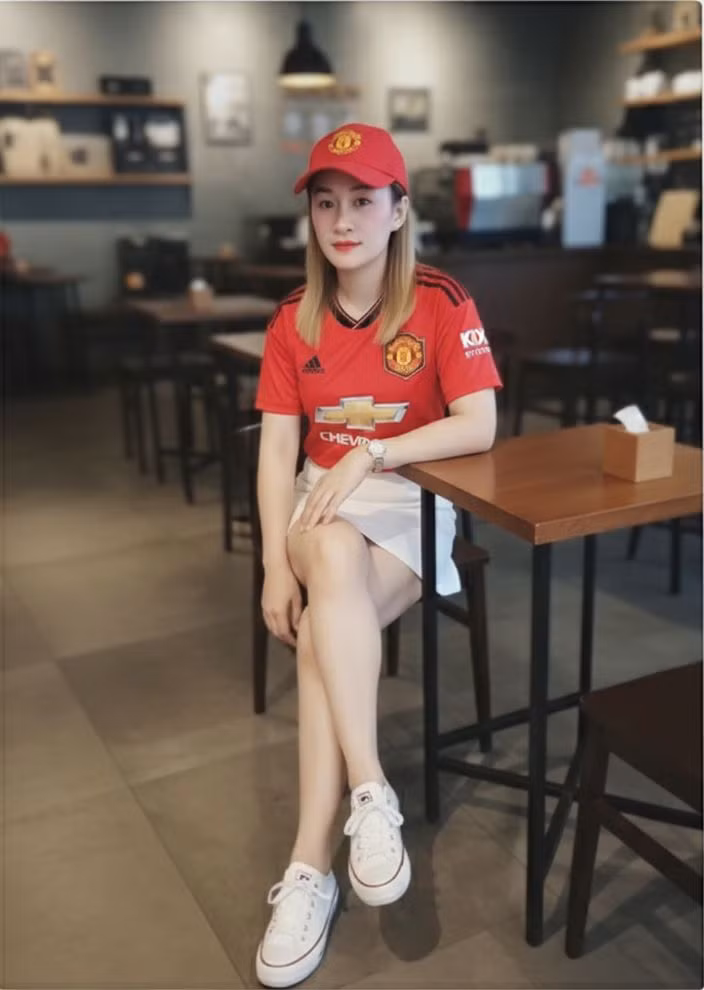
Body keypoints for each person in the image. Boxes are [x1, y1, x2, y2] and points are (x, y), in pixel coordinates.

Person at [253, 122, 501, 988]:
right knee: (325, 558)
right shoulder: (293, 317)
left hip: (409, 498)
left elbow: (480, 425)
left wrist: (373, 452)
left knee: (325, 638)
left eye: (363, 200)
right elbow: (275, 451)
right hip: (319, 503)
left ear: (399, 210)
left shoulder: (440, 300)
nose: (343, 220)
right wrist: (272, 563)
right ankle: (369, 797)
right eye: (326, 203)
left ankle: (309, 871)